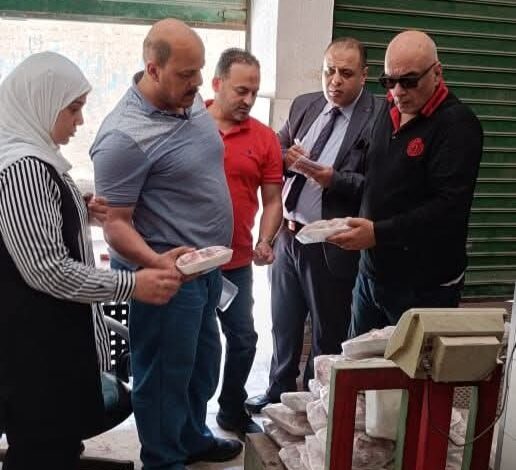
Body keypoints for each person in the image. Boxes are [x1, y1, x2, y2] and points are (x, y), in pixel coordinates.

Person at [0, 51, 184, 470]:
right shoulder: (25, 168)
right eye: (73, 109)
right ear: (41, 102)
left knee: (53, 447)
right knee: (42, 453)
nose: (79, 121)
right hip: (36, 351)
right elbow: (46, 269)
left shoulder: (36, 157)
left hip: (45, 345)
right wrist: (132, 284)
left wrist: (77, 209)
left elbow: (31, 229)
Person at [91, 19, 241, 470]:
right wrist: (158, 264)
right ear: (153, 69)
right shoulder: (122, 137)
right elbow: (115, 224)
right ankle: (162, 458)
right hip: (164, 275)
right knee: (163, 375)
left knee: (201, 364)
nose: (198, 83)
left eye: (200, 70)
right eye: (186, 74)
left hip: (205, 268)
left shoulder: (188, 102)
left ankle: (190, 437)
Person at [246, 37, 380, 413]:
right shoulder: (305, 104)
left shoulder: (379, 116)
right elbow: (273, 150)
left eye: (346, 73)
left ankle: (314, 403)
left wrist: (333, 179)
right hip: (289, 236)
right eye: (329, 71)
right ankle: (277, 392)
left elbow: (377, 185)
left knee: (327, 330)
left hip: (331, 243)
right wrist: (285, 157)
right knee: (283, 322)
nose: (335, 80)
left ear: (364, 75)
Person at [328, 30, 483, 336]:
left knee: (410, 366)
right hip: (371, 276)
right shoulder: (388, 112)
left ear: (436, 73)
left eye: (409, 81)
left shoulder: (457, 126)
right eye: (389, 81)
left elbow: (448, 209)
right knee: (356, 360)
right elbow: (378, 182)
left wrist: (378, 233)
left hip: (423, 287)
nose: (397, 91)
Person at [206, 48, 283, 439]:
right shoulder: (190, 125)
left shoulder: (264, 138)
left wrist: (266, 239)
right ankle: (187, 421)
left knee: (243, 339)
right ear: (217, 84)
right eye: (241, 91)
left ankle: (231, 410)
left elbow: (273, 200)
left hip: (235, 266)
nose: (249, 100)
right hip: (190, 265)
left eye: (254, 92)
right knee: (198, 348)